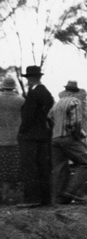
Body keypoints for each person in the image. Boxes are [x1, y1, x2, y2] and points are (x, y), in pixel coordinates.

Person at [17, 65, 55, 205]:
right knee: (43, 166)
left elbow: (28, 116)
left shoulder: (33, 94)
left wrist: (22, 131)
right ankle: (45, 198)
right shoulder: (47, 93)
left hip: (30, 136)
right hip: (44, 135)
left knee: (30, 166)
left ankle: (32, 198)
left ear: (31, 79)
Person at [49, 80, 87, 204]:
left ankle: (59, 198)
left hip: (54, 139)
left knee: (59, 167)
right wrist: (77, 136)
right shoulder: (75, 102)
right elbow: (76, 122)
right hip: (68, 137)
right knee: (84, 164)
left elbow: (49, 119)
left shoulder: (56, 104)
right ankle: (72, 191)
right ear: (75, 92)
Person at [0, 76, 25, 203]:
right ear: (14, 86)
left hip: (0, 140)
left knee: (1, 169)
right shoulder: (21, 100)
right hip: (15, 139)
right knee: (14, 169)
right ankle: (14, 196)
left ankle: (3, 196)